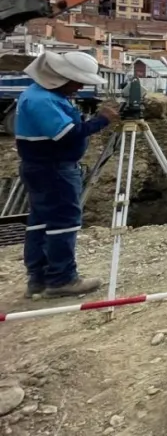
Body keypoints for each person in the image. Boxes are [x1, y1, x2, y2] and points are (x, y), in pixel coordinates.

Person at [16, 51, 118, 298]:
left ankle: (39, 279)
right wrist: (102, 120)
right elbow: (67, 134)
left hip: (43, 168)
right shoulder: (42, 100)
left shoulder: (42, 95)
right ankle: (61, 279)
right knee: (63, 222)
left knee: (41, 221)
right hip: (53, 169)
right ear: (59, 77)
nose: (81, 86)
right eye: (77, 81)